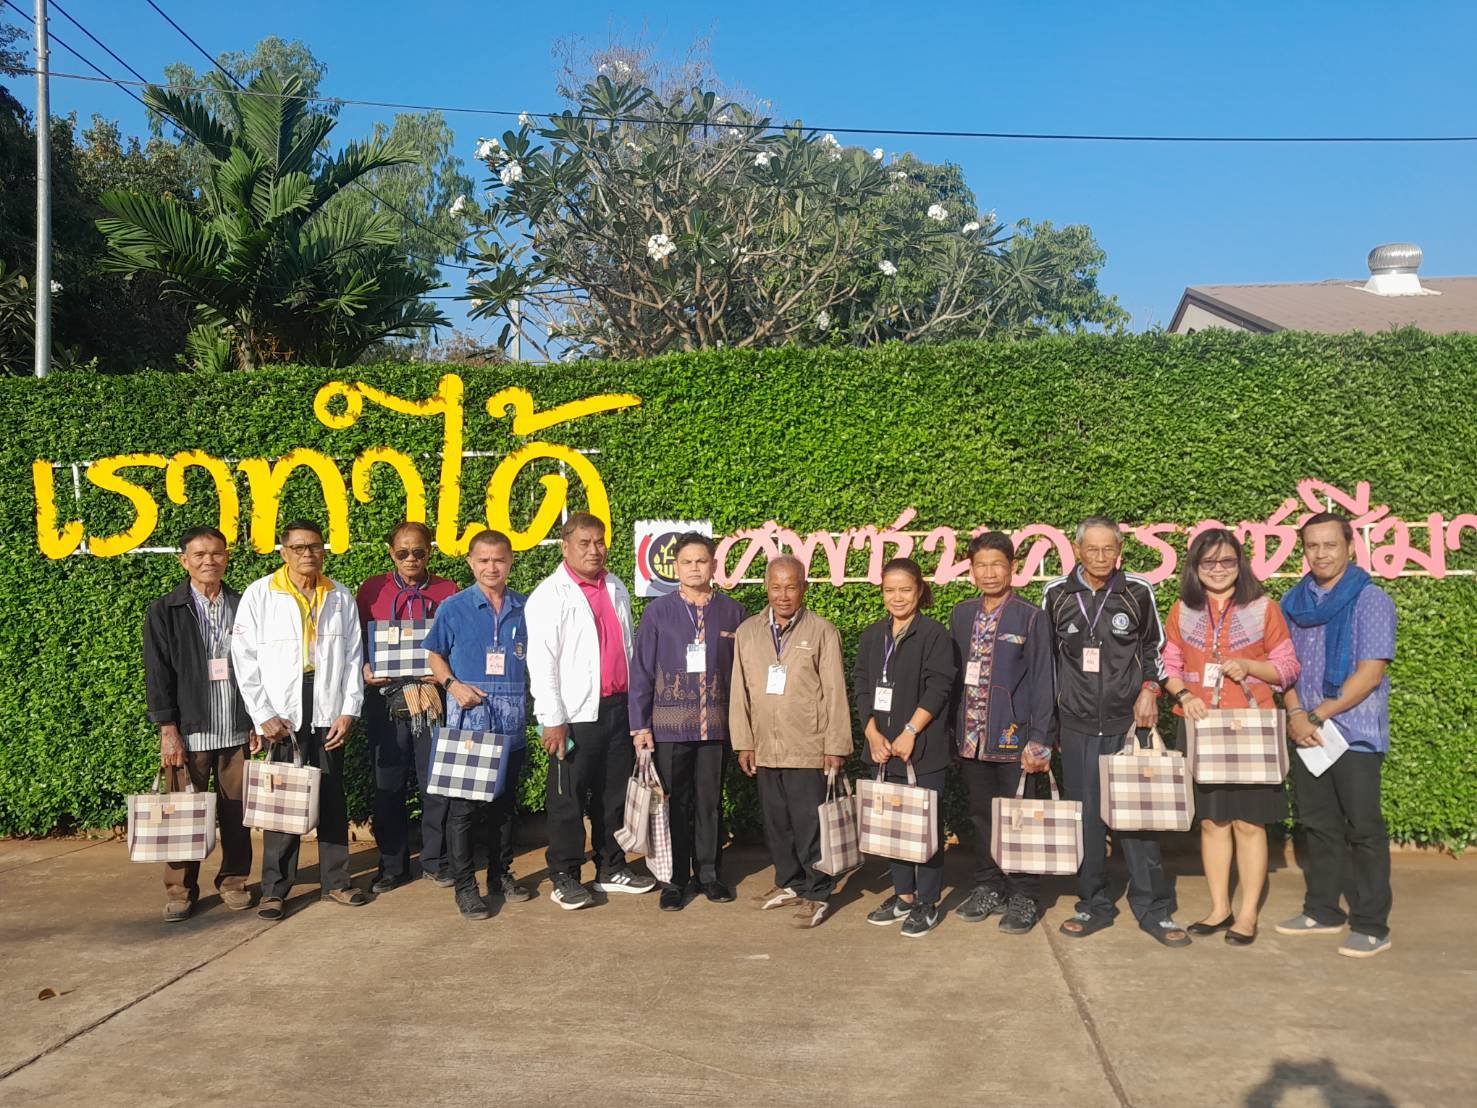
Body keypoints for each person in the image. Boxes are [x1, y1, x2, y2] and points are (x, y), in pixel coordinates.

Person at [1042, 516, 1190, 947]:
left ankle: (1154, 910)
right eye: (1093, 549)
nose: (1101, 557)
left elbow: (1154, 651)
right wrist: (1050, 723)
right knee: (1086, 821)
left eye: (1109, 549)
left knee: (1138, 821)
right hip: (1076, 726)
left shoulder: (1136, 591)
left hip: (1130, 725)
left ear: (1119, 551)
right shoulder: (1056, 594)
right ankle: (1093, 904)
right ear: (1077, 551)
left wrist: (1149, 690)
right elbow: (1047, 663)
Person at [1162, 528, 1300, 946]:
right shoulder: (1182, 610)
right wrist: (1184, 695)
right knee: (1212, 821)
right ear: (1195, 568)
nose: (1218, 570)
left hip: (1248, 730)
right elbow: (1166, 664)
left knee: (1249, 823)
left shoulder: (1263, 608)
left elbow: (1288, 668)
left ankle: (1246, 914)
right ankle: (1219, 907)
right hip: (1201, 728)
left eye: (1226, 561)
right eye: (1209, 563)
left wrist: (1249, 666)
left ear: (1240, 563)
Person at [1275, 512, 1397, 959]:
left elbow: (1369, 674)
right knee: (1319, 825)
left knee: (1363, 828)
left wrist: (1318, 714)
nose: (1321, 553)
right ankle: (1323, 910)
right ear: (1303, 549)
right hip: (1308, 732)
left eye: (1330, 544)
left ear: (1349, 546)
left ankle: (1371, 923)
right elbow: (1284, 667)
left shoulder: (1371, 600)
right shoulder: (1293, 603)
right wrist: (1295, 713)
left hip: (1355, 735)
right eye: (1312, 546)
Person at [232, 519, 366, 921]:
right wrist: (263, 715)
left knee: (331, 799)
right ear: (284, 552)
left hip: (326, 706)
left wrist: (349, 709)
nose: (308, 554)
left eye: (315, 546)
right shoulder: (260, 594)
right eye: (299, 547)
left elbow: (354, 658)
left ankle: (337, 883)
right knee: (281, 802)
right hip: (282, 713)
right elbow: (244, 659)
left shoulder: (339, 595)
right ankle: (275, 889)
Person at [526, 512, 656, 909]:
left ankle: (610, 867)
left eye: (599, 542)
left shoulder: (614, 586)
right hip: (574, 715)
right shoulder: (549, 595)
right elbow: (542, 661)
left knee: (612, 794)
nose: (594, 550)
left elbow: (628, 649)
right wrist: (553, 719)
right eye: (584, 543)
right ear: (565, 547)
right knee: (568, 798)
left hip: (618, 707)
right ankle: (564, 875)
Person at [730, 555, 852, 930]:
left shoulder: (821, 632)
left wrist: (835, 746)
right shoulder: (748, 632)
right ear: (766, 587)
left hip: (809, 745)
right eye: (776, 586)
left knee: (809, 823)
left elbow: (834, 692)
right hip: (766, 746)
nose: (783, 595)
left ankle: (817, 891)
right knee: (777, 822)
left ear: (804, 588)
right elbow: (740, 691)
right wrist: (743, 741)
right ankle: (789, 881)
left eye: (791, 586)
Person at [142, 526, 257, 922]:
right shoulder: (165, 610)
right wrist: (167, 730)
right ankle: (179, 889)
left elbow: (257, 667)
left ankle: (234, 880)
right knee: (183, 813)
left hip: (236, 729)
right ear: (184, 560)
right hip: (190, 732)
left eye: (217, 554)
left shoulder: (244, 604)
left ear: (227, 557)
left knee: (237, 812)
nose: (210, 561)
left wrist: (256, 719)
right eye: (200, 554)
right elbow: (158, 675)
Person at [629, 532, 748, 911]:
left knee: (710, 802)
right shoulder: (657, 613)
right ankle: (676, 879)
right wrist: (640, 726)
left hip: (715, 725)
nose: (695, 568)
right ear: (675, 567)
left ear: (714, 565)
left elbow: (743, 675)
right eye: (687, 562)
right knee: (674, 803)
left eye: (702, 561)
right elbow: (642, 671)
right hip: (668, 727)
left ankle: (710, 874)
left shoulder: (733, 612)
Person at [948, 532, 1056, 936]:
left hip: (1015, 740)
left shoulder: (1030, 617)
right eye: (981, 565)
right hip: (972, 739)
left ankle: (1024, 894)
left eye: (997, 564)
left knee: (1020, 819)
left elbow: (1045, 680)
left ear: (1012, 567)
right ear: (971, 570)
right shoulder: (961, 614)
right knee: (981, 817)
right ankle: (988, 886)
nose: (989, 572)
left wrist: (1040, 739)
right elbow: (955, 676)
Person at [424, 529, 534, 920]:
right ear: (470, 562)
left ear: (510, 562)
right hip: (469, 720)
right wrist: (453, 685)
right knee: (464, 810)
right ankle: (465, 885)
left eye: (499, 560)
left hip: (511, 722)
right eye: (483, 560)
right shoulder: (454, 607)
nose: (491, 567)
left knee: (503, 807)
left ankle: (500, 875)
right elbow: (435, 655)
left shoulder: (526, 607)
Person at [853, 558, 957, 938]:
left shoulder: (934, 635)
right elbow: (863, 686)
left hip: (922, 750)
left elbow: (939, 687)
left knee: (923, 827)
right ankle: (904, 896)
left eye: (905, 590)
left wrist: (912, 730)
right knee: (893, 827)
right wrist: (871, 733)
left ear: (919, 591)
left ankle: (927, 902)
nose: (897, 597)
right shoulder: (872, 636)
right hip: (882, 750)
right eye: (890, 590)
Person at [355, 521, 458, 893]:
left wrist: (447, 671)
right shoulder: (371, 590)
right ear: (391, 553)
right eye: (403, 552)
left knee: (435, 783)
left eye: (419, 551)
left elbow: (457, 641)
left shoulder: (448, 590)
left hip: (431, 698)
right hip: (386, 699)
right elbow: (355, 642)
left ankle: (435, 860)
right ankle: (392, 866)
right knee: (389, 785)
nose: (411, 559)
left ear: (429, 551)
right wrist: (365, 668)